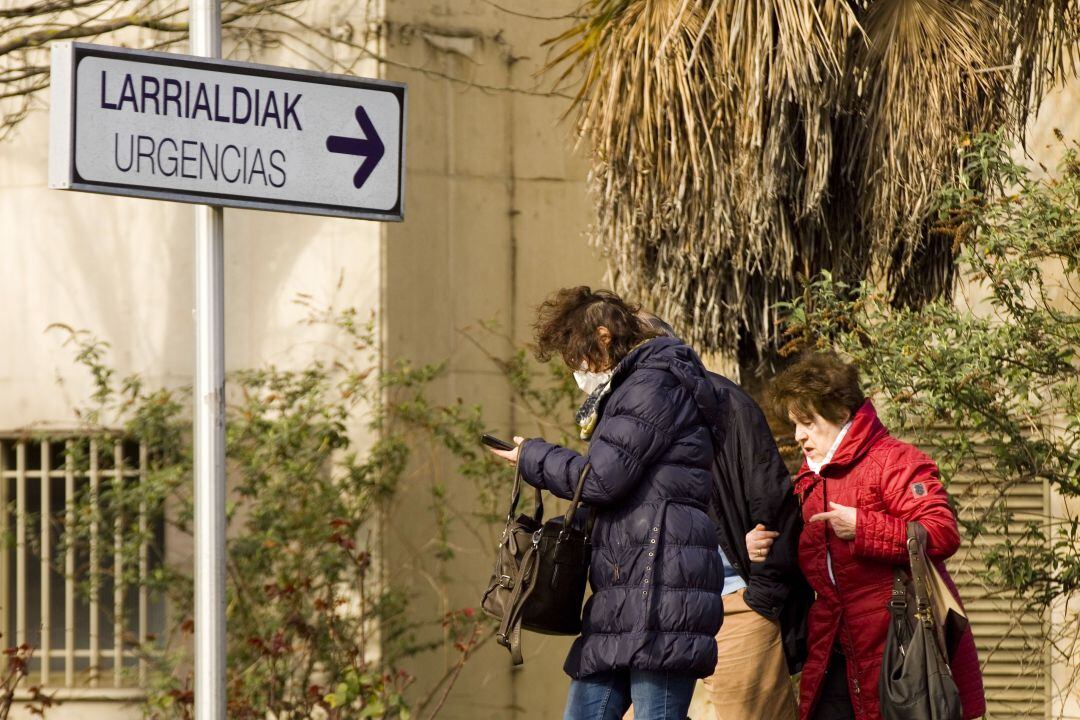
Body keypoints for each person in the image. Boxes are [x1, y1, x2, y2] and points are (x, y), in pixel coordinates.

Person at [488, 287, 725, 720]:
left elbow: (601, 478)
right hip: (627, 588)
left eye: (579, 357)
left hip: (663, 591)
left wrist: (533, 457)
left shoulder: (653, 383)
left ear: (603, 336)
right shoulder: (633, 388)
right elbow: (624, 487)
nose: (579, 371)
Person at [767, 352, 985, 720]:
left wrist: (863, 527)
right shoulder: (808, 481)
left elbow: (941, 532)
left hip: (900, 648)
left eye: (807, 422)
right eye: (794, 425)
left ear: (840, 413)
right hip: (834, 650)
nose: (799, 436)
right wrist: (764, 545)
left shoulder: (895, 461)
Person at [638, 313, 808, 720]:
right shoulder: (626, 423)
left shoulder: (724, 403)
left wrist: (761, 597)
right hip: (654, 621)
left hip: (735, 607)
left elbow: (772, 499)